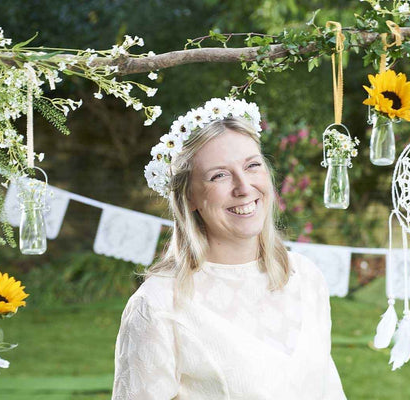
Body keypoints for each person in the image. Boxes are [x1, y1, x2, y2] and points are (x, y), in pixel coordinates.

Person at [112, 97, 346, 399]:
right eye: (219, 175)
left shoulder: (305, 276)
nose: (243, 187)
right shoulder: (158, 305)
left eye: (252, 166)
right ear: (190, 198)